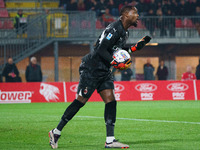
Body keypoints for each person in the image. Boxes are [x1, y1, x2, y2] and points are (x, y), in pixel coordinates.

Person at [49, 6, 151, 149]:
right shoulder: (114, 29)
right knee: (80, 102)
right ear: (126, 15)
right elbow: (101, 49)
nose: (138, 16)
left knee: (111, 101)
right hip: (91, 69)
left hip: (104, 71)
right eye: (135, 13)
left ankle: (110, 140)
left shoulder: (124, 32)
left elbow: (117, 52)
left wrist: (135, 48)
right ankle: (56, 132)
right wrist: (115, 63)